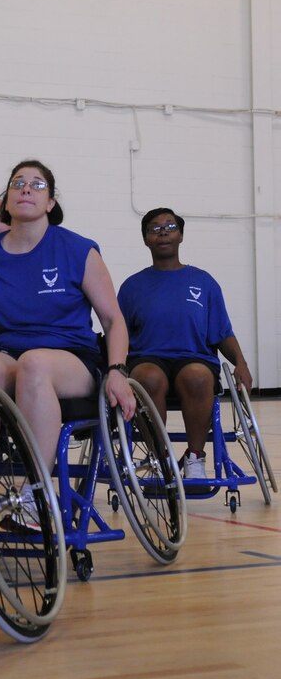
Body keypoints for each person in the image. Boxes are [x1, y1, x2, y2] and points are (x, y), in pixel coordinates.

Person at [0, 160, 136, 528]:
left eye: (37, 185)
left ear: (51, 203)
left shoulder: (78, 250)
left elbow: (113, 320)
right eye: (18, 183)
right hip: (8, 354)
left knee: (35, 363)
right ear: (4, 200)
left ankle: (35, 496)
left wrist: (118, 371)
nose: (26, 189)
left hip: (72, 359)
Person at [117, 207, 252, 485]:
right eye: (154, 228)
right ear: (145, 239)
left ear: (180, 235)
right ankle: (162, 459)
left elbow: (222, 332)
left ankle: (195, 459)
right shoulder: (132, 287)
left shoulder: (204, 282)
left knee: (197, 377)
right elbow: (118, 334)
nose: (163, 232)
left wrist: (241, 362)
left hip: (194, 357)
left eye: (170, 226)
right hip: (147, 357)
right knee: (147, 379)